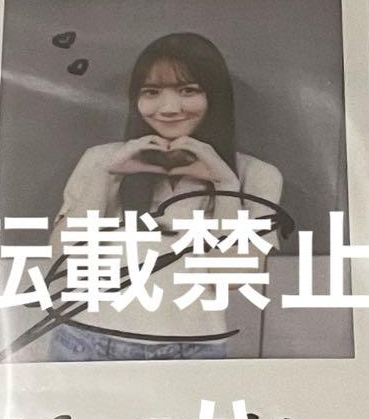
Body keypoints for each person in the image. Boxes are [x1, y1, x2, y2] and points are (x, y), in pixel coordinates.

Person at [47, 32, 283, 362]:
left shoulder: (256, 175)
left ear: (214, 96)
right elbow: (67, 263)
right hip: (85, 343)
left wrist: (224, 183)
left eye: (188, 90)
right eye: (152, 92)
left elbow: (229, 278)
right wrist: (109, 175)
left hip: (192, 353)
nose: (169, 108)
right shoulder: (100, 160)